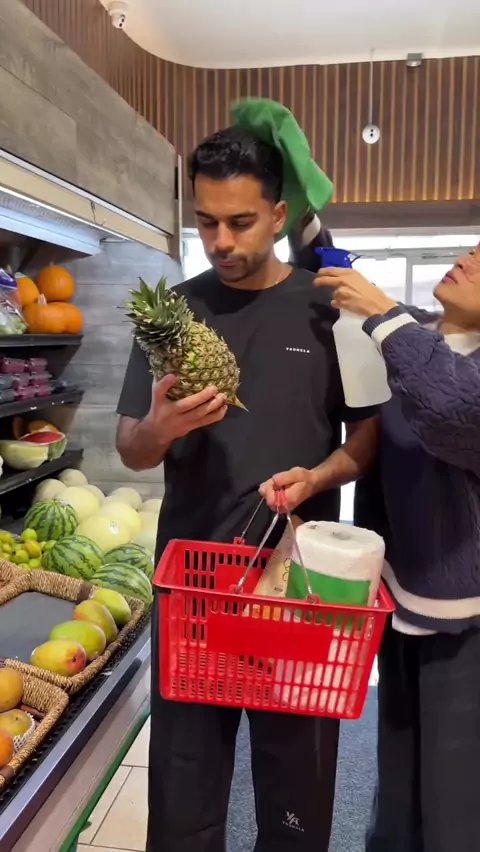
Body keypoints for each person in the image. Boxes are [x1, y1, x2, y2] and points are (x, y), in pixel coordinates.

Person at [116, 126, 378, 852]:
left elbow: (366, 438)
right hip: (192, 585)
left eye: (240, 221)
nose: (220, 241)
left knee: (297, 791)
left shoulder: (327, 309)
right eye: (205, 222)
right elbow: (131, 447)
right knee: (184, 787)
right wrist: (159, 426)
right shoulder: (172, 313)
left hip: (299, 588)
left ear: (278, 212)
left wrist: (319, 475)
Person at [309, 247, 480, 852]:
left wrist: (383, 314)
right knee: (400, 771)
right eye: (475, 248)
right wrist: (307, 225)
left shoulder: (420, 346)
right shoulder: (424, 332)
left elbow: (450, 407)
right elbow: (341, 273)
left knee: (456, 794)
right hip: (401, 593)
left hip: (467, 620)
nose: (469, 258)